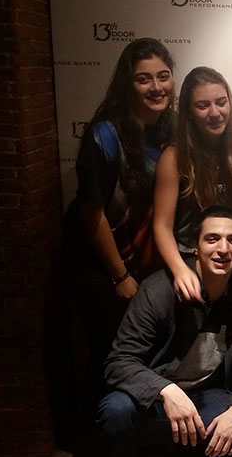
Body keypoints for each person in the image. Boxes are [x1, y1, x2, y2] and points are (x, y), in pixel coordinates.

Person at [92, 206, 232, 457]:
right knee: (116, 410)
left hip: (208, 395)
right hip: (156, 397)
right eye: (212, 238)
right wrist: (166, 390)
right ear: (195, 246)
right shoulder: (159, 289)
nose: (223, 249)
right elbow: (119, 361)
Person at [63, 37, 175, 418]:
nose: (156, 87)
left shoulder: (171, 130)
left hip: (144, 262)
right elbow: (91, 214)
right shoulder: (105, 135)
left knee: (148, 352)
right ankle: (102, 437)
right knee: (110, 353)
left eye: (163, 76)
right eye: (144, 79)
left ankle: (141, 436)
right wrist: (120, 276)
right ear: (128, 84)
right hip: (100, 263)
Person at [154, 66, 232, 303]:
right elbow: (162, 225)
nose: (215, 113)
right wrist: (180, 270)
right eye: (203, 106)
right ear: (189, 112)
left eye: (221, 102)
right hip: (189, 258)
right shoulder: (174, 157)